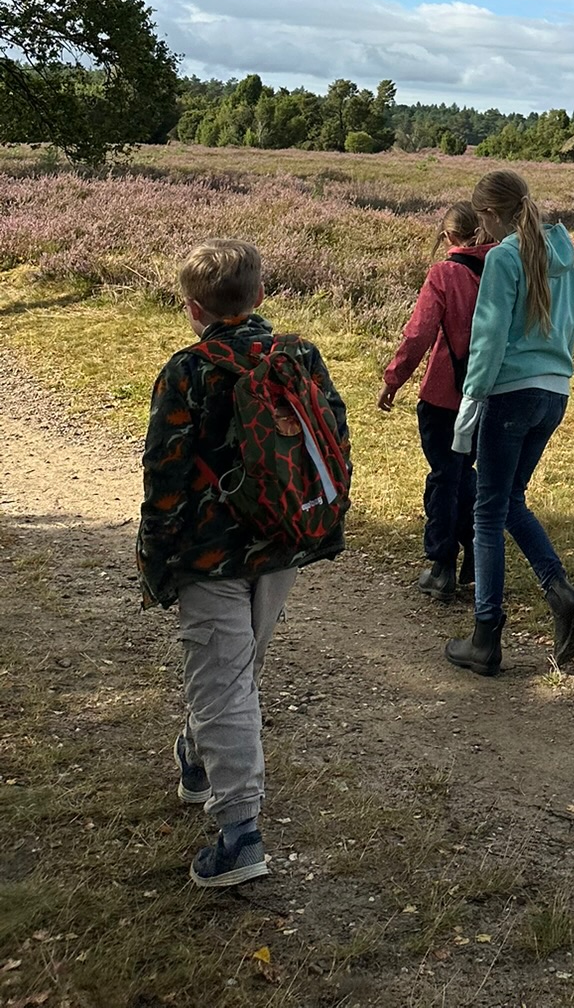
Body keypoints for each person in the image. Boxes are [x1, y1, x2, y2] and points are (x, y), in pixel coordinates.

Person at [137, 240, 348, 890]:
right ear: (260, 296)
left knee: (223, 678)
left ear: (192, 308)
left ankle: (240, 834)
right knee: (236, 668)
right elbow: (333, 436)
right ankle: (199, 759)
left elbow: (164, 475)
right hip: (285, 538)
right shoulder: (300, 356)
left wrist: (155, 556)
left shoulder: (187, 371)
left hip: (212, 552)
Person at [444, 168, 574, 677]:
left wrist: (469, 409)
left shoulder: (504, 258)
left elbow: (487, 341)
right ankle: (560, 593)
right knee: (509, 500)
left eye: (481, 218)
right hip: (555, 392)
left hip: (510, 395)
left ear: (488, 214)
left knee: (487, 510)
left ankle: (486, 636)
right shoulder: (564, 250)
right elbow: (571, 322)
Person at [378, 201, 488, 604]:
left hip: (445, 395)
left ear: (448, 237)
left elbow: (419, 334)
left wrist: (393, 380)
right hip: (490, 394)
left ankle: (442, 566)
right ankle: (477, 557)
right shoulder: (504, 267)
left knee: (444, 475)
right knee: (467, 472)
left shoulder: (444, 273)